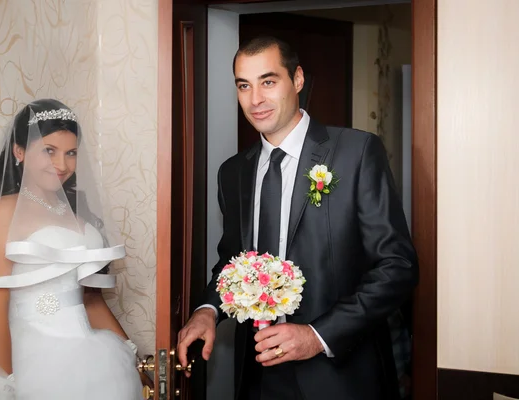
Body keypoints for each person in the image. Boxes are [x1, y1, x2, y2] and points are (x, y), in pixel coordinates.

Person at [177, 36, 418, 400]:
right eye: (244, 85)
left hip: (341, 376)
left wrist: (316, 336)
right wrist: (208, 309)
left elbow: (398, 266)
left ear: (298, 79)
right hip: (258, 377)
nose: (255, 99)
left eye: (268, 82)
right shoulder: (233, 173)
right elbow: (232, 262)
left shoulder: (356, 152)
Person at [0, 99, 142, 399]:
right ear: (19, 152)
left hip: (93, 357)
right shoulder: (4, 211)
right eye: (49, 151)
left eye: (71, 153)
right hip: (34, 358)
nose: (62, 165)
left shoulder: (79, 216)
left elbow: (90, 301)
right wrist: (4, 385)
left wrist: (130, 353)